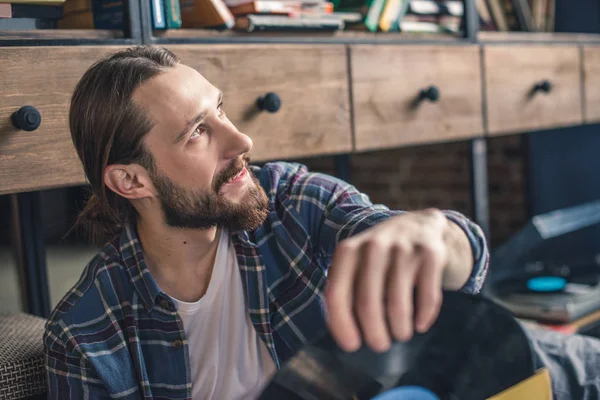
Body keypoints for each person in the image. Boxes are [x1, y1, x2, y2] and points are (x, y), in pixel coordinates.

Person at [43, 45, 489, 400]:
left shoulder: (295, 203)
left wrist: (434, 231)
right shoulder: (85, 337)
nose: (241, 140)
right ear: (131, 180)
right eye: (198, 131)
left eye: (221, 110)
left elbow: (463, 261)